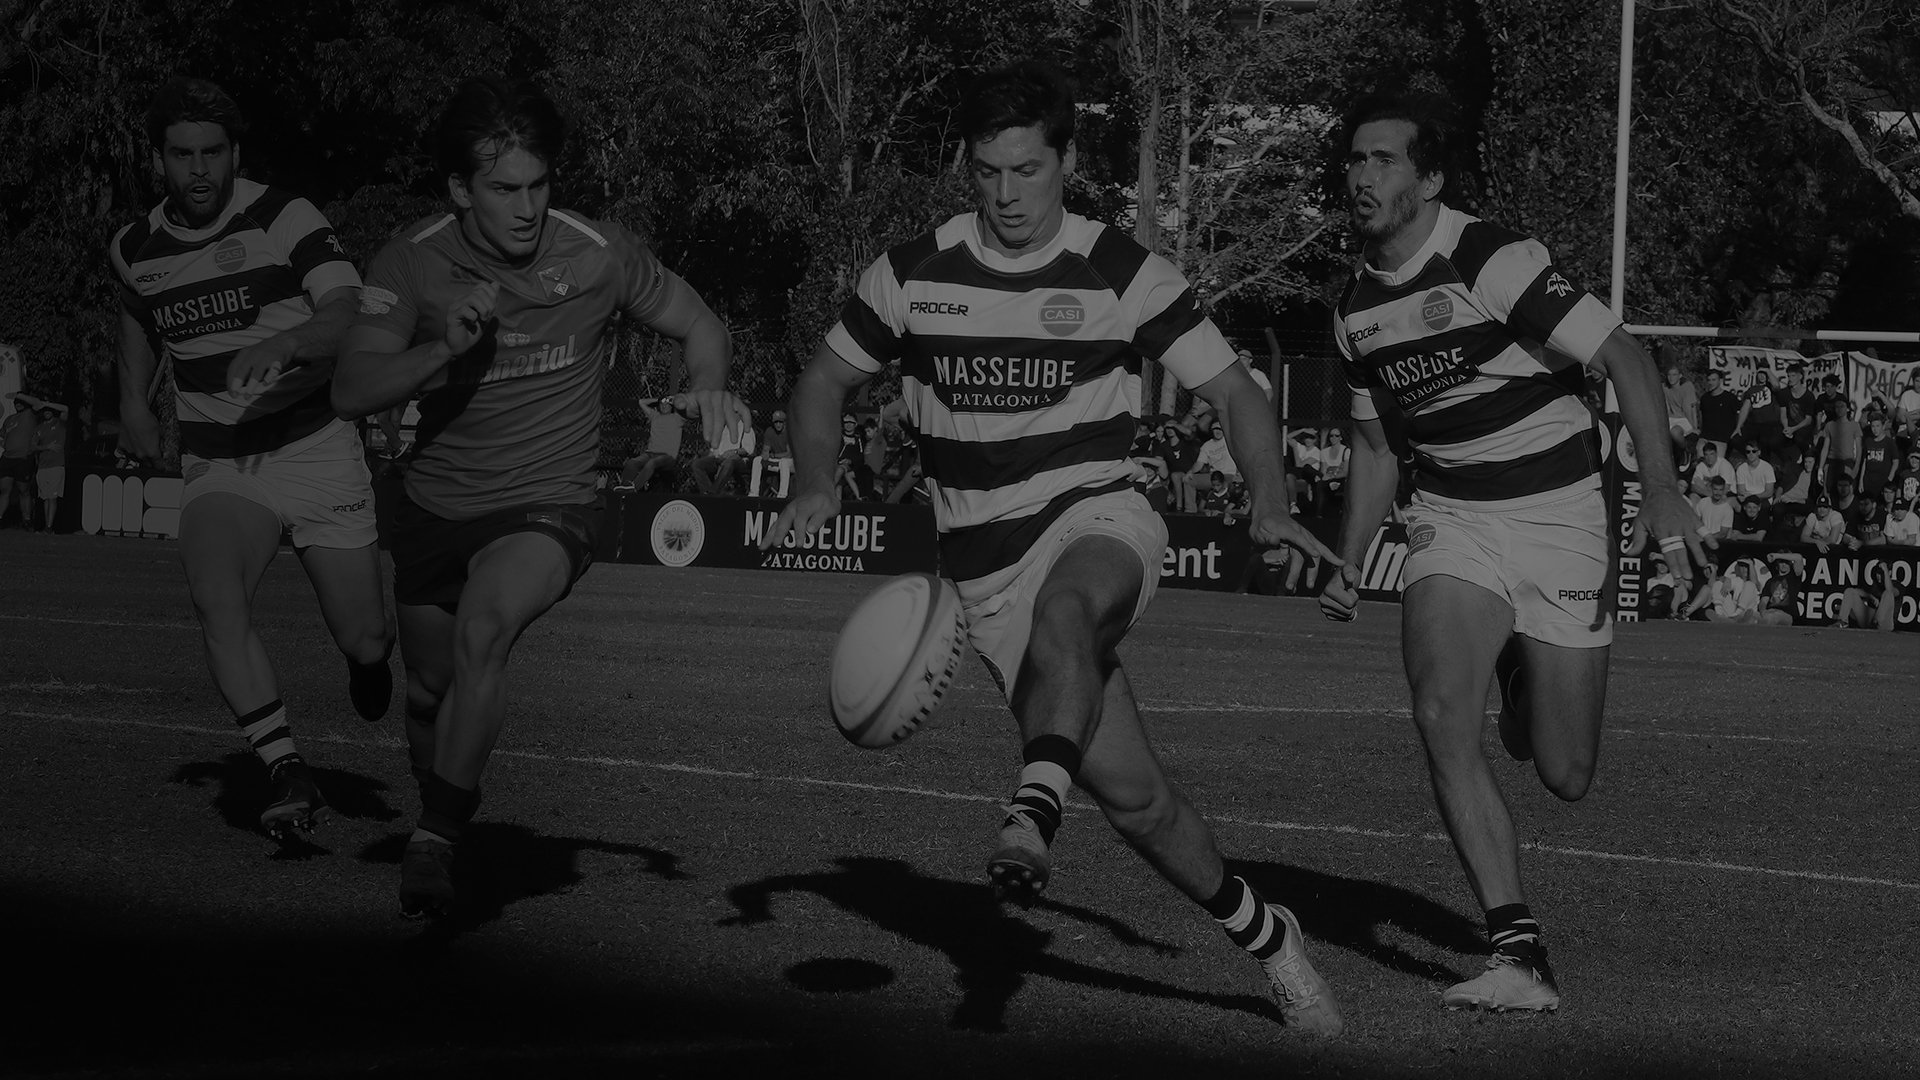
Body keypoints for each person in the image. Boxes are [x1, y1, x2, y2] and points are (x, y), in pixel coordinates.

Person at [759, 60, 1344, 1035]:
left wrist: (1271, 505)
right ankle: (1270, 938)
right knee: (1140, 802)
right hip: (987, 580)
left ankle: (1029, 813)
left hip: (1099, 521)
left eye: (1025, 171)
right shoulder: (912, 273)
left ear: (1065, 163)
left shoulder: (1119, 269)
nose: (1005, 193)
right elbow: (819, 386)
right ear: (966, 167)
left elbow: (1239, 394)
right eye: (987, 172)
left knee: (1073, 613)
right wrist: (817, 477)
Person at [1317, 91, 1698, 1015]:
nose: (1362, 176)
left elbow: (1626, 357)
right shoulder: (1354, 310)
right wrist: (1349, 554)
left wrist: (1663, 488)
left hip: (1563, 512)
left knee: (1565, 773)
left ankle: (1525, 678)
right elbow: (1375, 448)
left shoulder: (1489, 256)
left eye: (1384, 160)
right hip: (1450, 515)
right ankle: (1517, 951)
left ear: (1431, 177)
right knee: (1442, 710)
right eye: (1354, 161)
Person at [333, 75, 748, 917]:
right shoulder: (411, 259)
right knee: (426, 693)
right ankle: (441, 803)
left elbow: (703, 325)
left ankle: (437, 836)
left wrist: (707, 387)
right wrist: (439, 352)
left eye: (539, 185)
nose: (527, 209)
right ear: (460, 190)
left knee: (489, 629)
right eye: (503, 189)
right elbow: (350, 389)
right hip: (432, 507)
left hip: (549, 504)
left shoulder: (597, 252)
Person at [110, 77, 393, 840]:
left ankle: (370, 662)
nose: (197, 170)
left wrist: (288, 339)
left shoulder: (284, 215)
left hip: (313, 447)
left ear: (235, 153)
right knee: (215, 592)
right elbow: (136, 312)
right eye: (181, 155)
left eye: (212, 153)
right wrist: (134, 399)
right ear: (159, 159)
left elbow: (346, 314)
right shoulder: (135, 246)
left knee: (365, 636)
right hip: (221, 463)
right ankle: (284, 767)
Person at [615, 397, 686, 492]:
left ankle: (634, 488)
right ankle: (625, 486)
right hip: (650, 454)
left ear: (671, 407)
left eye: (667, 404)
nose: (664, 406)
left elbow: (687, 406)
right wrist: (659, 399)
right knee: (632, 463)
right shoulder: (654, 416)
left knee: (651, 463)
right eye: (662, 404)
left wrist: (674, 399)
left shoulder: (678, 418)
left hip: (667, 457)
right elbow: (641, 402)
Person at [1, 394, 40, 528]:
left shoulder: (29, 414)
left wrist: (18, 395)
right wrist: (5, 443)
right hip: (7, 458)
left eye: (21, 401)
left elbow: (36, 402)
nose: (18, 403)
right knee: (4, 490)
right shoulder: (9, 419)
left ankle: (27, 520)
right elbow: (3, 435)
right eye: (16, 402)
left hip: (22, 459)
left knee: (24, 490)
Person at [690, 416, 756, 495]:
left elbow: (749, 449)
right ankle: (706, 493)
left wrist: (734, 451)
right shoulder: (723, 429)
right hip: (720, 458)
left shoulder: (745, 428)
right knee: (698, 464)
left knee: (729, 462)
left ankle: (714, 492)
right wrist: (708, 456)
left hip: (738, 460)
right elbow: (715, 450)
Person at [31, 399, 69, 531]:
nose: (47, 412)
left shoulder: (59, 423)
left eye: (49, 410)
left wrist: (47, 404)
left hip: (56, 465)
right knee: (45, 498)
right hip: (42, 466)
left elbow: (65, 409)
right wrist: (46, 446)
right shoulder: (39, 428)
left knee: (53, 497)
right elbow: (32, 446)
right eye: (45, 410)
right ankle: (47, 526)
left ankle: (49, 526)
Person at [751, 409, 794, 497]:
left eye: (780, 422)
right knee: (757, 460)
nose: (778, 424)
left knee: (784, 463)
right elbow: (765, 450)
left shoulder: (790, 432)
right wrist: (765, 454)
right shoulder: (769, 431)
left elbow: (789, 454)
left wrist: (773, 455)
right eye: (776, 422)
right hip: (777, 461)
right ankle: (753, 493)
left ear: (785, 423)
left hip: (792, 463)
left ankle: (782, 495)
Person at [1751, 552, 1802, 626]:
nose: (1784, 565)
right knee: (1751, 616)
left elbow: (1799, 558)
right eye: (1781, 562)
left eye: (1786, 562)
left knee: (1771, 617)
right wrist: (1763, 611)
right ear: (1777, 564)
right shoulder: (1770, 581)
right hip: (1769, 611)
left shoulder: (1794, 577)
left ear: (1790, 564)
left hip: (1786, 614)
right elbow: (1763, 601)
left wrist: (1776, 556)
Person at [1698, 369, 1740, 458]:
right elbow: (1702, 417)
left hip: (1722, 438)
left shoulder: (1730, 398)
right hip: (1705, 437)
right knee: (1701, 460)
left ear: (1720, 380)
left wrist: (1737, 429)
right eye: (1709, 380)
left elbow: (1739, 414)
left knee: (1716, 464)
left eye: (1714, 380)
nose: (1711, 382)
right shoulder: (1704, 398)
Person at [1686, 438, 1735, 503]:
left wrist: (1703, 487)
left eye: (1712, 454)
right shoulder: (1701, 466)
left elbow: (1725, 488)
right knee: (1693, 496)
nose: (1709, 458)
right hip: (1708, 493)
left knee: (1722, 498)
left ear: (1716, 454)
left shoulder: (1724, 464)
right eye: (1706, 455)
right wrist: (1708, 492)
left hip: (1726, 494)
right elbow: (1693, 487)